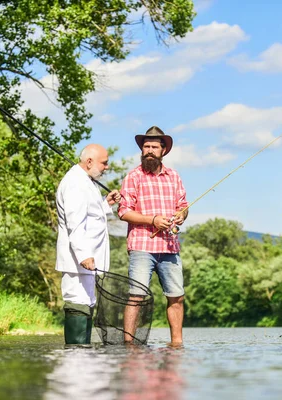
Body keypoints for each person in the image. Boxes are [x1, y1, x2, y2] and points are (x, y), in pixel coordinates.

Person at [118, 126, 188, 345]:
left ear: (163, 150)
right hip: (141, 246)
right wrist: (153, 219)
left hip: (170, 247)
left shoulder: (174, 176)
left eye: (154, 147)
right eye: (146, 146)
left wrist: (181, 215)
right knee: (136, 296)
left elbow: (183, 206)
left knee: (176, 297)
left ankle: (176, 344)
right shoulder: (133, 177)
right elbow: (124, 212)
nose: (149, 150)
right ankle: (129, 344)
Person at [56, 144, 121, 345]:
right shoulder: (75, 183)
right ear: (89, 162)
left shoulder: (86, 182)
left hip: (86, 262)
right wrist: (84, 254)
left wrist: (105, 204)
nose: (107, 167)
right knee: (78, 302)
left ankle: (82, 355)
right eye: (104, 163)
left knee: (87, 302)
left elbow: (90, 215)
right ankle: (76, 355)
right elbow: (75, 222)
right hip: (79, 261)